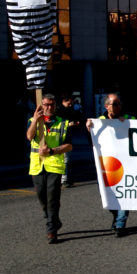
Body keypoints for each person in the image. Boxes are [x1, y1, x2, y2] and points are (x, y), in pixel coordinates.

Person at [26, 94, 73, 244]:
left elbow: (69, 145)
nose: (49, 107)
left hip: (54, 165)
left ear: (55, 105)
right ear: (41, 105)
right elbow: (29, 136)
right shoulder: (33, 121)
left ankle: (51, 230)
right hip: (37, 166)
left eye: (52, 104)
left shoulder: (63, 123)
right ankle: (53, 219)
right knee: (42, 196)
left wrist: (51, 151)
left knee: (52, 197)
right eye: (46, 104)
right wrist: (35, 120)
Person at [87, 93, 134, 237]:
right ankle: (115, 214)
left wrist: (126, 123)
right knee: (107, 194)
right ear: (106, 106)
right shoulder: (99, 121)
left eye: (119, 104)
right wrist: (89, 128)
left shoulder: (128, 118)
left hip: (126, 163)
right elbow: (92, 141)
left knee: (124, 192)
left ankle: (120, 223)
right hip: (107, 164)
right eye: (114, 104)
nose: (117, 107)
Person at [55, 93, 82, 187]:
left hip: (67, 137)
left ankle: (65, 178)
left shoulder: (70, 110)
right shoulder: (57, 110)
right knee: (65, 159)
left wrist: (76, 122)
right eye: (69, 104)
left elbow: (77, 117)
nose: (70, 105)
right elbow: (57, 124)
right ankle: (64, 179)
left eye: (71, 104)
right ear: (63, 101)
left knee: (66, 159)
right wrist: (68, 124)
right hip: (59, 138)